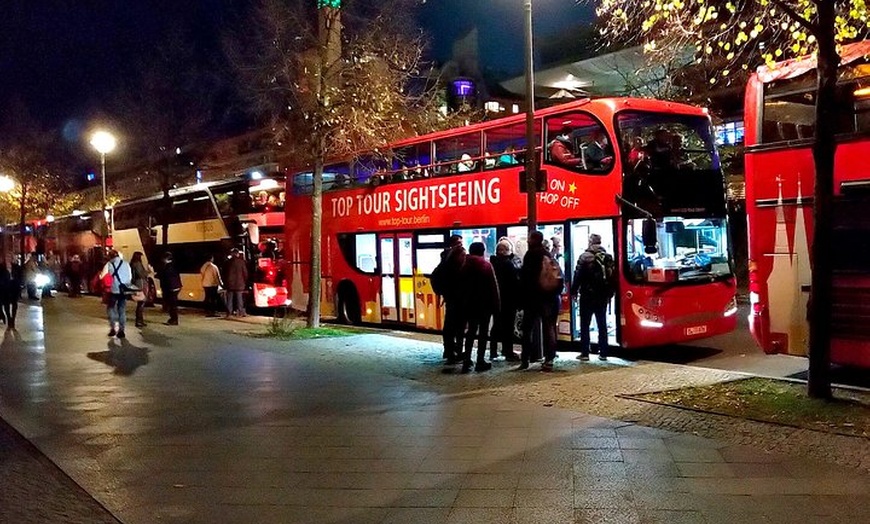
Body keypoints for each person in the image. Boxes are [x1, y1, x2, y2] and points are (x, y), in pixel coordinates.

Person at [518, 231, 562, 371]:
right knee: (549, 327)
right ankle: (549, 359)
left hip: (533, 298)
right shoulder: (547, 254)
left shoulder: (530, 255)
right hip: (550, 297)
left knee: (527, 328)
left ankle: (525, 359)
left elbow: (525, 278)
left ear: (532, 240)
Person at [570, 233, 616, 361]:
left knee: (585, 324)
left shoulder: (584, 257)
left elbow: (578, 275)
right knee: (602, 323)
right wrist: (610, 292)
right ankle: (604, 353)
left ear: (590, 242)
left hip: (587, 295)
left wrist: (573, 291)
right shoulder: (607, 257)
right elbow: (612, 277)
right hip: (602, 295)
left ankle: (585, 353)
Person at [458, 242, 500, 373]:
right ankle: (480, 360)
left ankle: (466, 361)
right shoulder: (486, 265)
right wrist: (496, 306)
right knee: (483, 333)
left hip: (468, 304)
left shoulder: (463, 265)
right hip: (484, 305)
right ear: (483, 251)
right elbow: (494, 287)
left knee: (470, 332)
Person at [433, 235, 466, 363]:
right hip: (456, 297)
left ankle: (450, 350)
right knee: (457, 325)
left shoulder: (446, 259)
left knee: (452, 325)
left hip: (451, 297)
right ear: (452, 244)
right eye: (458, 243)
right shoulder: (453, 260)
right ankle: (454, 350)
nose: (461, 245)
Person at [489, 238, 522, 362]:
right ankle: (508, 351)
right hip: (508, 300)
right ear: (506, 251)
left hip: (496, 300)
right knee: (508, 326)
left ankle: (493, 351)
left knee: (496, 325)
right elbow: (515, 283)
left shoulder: (492, 263)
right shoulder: (508, 264)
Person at [99, 249, 133, 338]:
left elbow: (102, 276)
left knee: (110, 308)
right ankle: (122, 330)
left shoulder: (109, 264)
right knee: (122, 310)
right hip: (123, 290)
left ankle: (113, 328)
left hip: (113, 290)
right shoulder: (126, 264)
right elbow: (130, 277)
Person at [157, 252, 182, 325]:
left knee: (172, 305)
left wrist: (155, 274)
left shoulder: (168, 267)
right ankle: (173, 319)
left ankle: (174, 320)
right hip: (175, 287)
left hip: (171, 288)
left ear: (166, 259)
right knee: (173, 304)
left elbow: (164, 277)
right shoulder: (173, 266)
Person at [224, 248, 248, 318]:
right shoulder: (242, 262)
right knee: (239, 298)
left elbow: (224, 273)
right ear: (237, 254)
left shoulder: (227, 262)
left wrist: (225, 282)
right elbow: (245, 273)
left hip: (229, 284)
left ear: (231, 254)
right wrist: (245, 281)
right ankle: (240, 312)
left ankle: (229, 313)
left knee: (230, 299)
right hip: (240, 284)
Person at [130, 251, 150, 328]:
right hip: (140, 284)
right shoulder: (137, 264)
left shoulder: (132, 264)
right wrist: (148, 271)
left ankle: (140, 320)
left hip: (136, 284)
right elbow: (141, 274)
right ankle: (139, 321)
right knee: (141, 303)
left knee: (140, 303)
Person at [0, 263, 16, 329]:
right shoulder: (6, 272)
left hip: (3, 291)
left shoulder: (5, 273)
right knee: (7, 306)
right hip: (6, 291)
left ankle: (5, 316)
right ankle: (9, 318)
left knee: (4, 306)